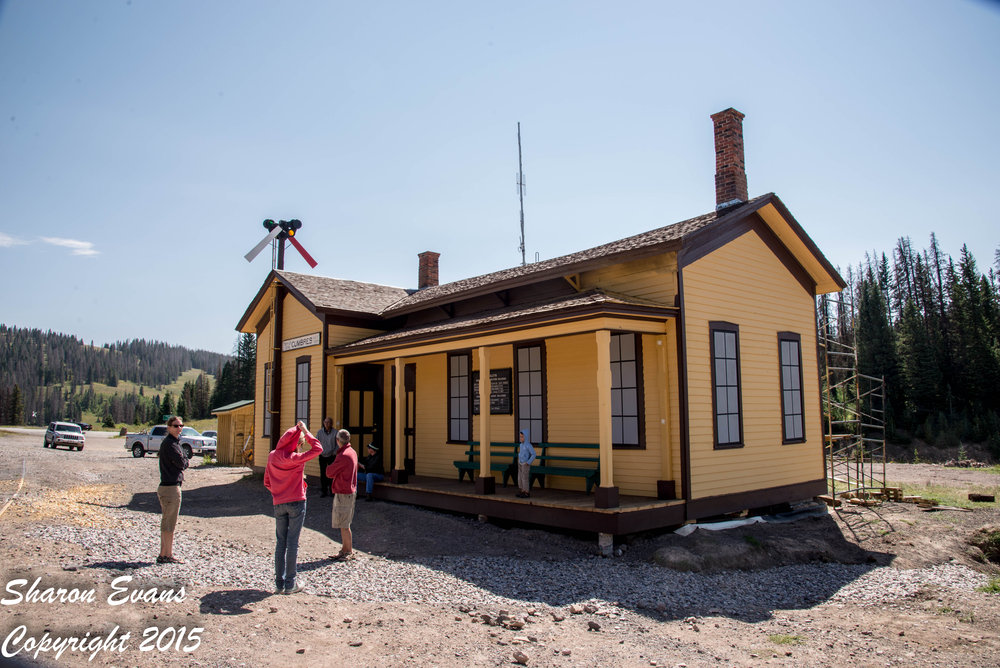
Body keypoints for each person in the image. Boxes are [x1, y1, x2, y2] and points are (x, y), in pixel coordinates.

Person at [263, 420, 322, 594]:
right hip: (297, 501)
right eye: (301, 444)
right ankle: (291, 583)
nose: (302, 447)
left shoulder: (272, 456)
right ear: (297, 443)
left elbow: (267, 481)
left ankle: (279, 583)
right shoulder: (296, 458)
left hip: (278, 502)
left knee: (280, 542)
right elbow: (318, 448)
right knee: (292, 543)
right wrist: (305, 431)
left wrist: (278, 491)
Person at [157, 416, 189, 564]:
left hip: (166, 486)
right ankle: (167, 555)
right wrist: (185, 459)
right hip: (171, 487)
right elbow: (182, 462)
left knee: (166, 522)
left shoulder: (173, 443)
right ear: (169, 427)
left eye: (181, 425)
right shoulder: (171, 444)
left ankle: (163, 553)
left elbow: (183, 460)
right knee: (170, 523)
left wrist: (184, 459)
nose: (179, 428)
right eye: (176, 426)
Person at [326, 429, 358, 561]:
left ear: (338, 440)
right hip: (349, 490)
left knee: (344, 523)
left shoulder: (343, 455)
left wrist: (329, 466)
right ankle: (344, 549)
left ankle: (348, 551)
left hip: (344, 492)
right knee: (344, 522)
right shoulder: (352, 452)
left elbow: (329, 472)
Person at [317, 417, 338, 497]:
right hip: (322, 455)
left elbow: (338, 444)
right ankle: (324, 491)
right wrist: (319, 451)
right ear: (323, 423)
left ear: (331, 423)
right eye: (325, 422)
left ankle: (332, 490)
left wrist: (334, 452)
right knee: (323, 474)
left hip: (332, 455)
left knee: (332, 474)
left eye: (328, 422)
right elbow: (317, 443)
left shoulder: (336, 432)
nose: (327, 424)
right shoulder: (320, 432)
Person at [516, 428, 536, 498]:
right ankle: (522, 490)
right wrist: (519, 460)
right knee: (520, 477)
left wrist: (528, 462)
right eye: (520, 437)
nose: (520, 438)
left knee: (525, 478)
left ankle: (526, 492)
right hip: (520, 463)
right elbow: (521, 453)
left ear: (526, 437)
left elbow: (533, 454)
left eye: (522, 437)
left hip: (525, 464)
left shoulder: (528, 445)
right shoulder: (521, 445)